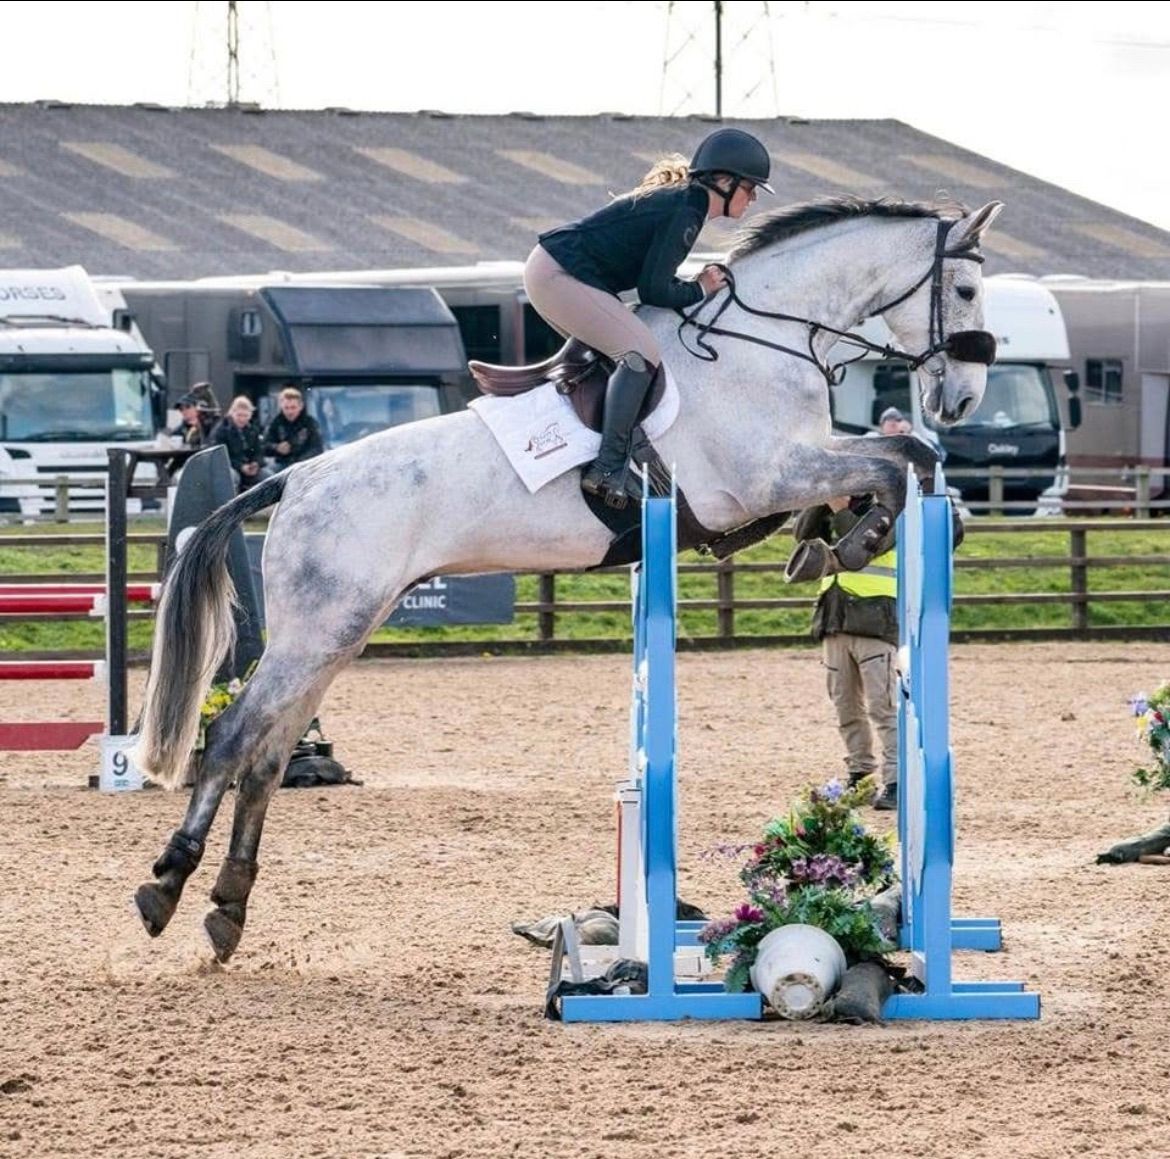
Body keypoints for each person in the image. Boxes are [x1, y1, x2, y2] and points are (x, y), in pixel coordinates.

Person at [523, 126, 774, 509]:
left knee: (623, 355)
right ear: (724, 182)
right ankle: (607, 468)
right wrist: (701, 288)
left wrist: (691, 287)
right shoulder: (687, 210)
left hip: (557, 271)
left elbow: (654, 282)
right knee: (640, 352)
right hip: (559, 275)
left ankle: (606, 453)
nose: (754, 197)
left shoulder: (686, 204)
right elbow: (654, 290)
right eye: (750, 187)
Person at [793, 496, 900, 810]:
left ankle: (896, 780)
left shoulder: (886, 515)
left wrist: (841, 509)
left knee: (884, 707)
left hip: (874, 623)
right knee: (846, 708)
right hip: (835, 620)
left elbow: (860, 549)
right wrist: (818, 501)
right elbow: (802, 536)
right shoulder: (830, 511)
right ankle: (860, 776)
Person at [211, 395, 271, 493]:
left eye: (245, 415)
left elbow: (259, 451)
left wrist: (256, 463)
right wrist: (240, 466)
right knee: (232, 478)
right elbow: (220, 456)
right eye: (239, 415)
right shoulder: (221, 430)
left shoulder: (253, 430)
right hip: (231, 467)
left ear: (250, 415)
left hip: (250, 467)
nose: (242, 419)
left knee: (269, 477)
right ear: (232, 413)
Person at [262, 385, 324, 471]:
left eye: (293, 407)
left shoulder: (310, 423)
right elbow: (263, 446)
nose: (290, 412)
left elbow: (317, 448)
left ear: (300, 406)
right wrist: (276, 447)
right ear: (281, 406)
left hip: (304, 466)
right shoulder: (275, 423)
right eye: (286, 408)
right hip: (282, 466)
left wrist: (300, 462)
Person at [168, 383, 220, 449]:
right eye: (181, 409)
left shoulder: (214, 426)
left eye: (188, 407)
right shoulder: (179, 430)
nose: (184, 411)